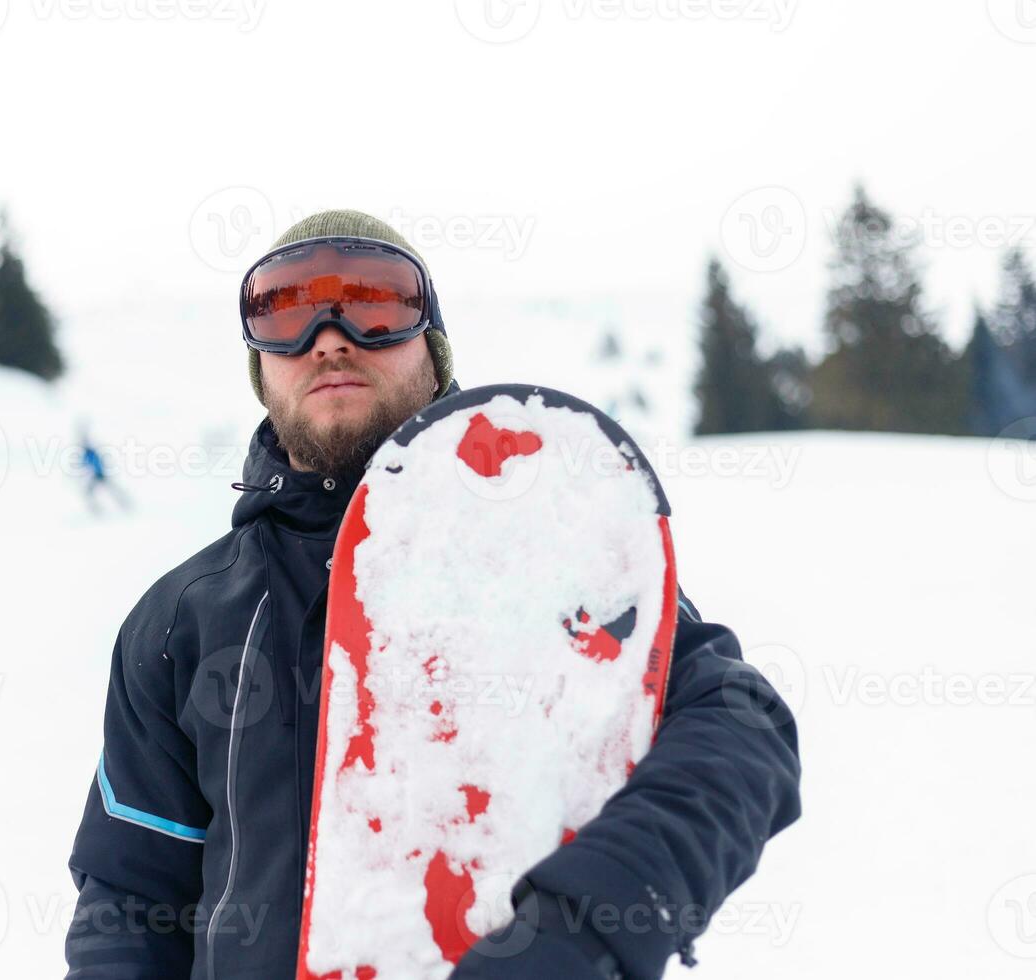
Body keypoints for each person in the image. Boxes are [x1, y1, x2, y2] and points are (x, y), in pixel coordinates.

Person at [64, 209, 801, 979]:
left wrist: (579, 930)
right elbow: (131, 892)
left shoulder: (549, 548)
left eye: (376, 302)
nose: (328, 337)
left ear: (434, 347)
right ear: (260, 366)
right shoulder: (182, 620)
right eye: (283, 310)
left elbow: (741, 733)